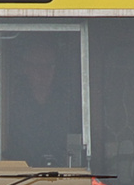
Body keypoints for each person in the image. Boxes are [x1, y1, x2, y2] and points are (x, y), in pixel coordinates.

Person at [5, 37, 81, 166]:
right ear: (25, 68)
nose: (43, 72)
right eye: (37, 66)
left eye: (48, 66)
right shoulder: (9, 104)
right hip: (20, 176)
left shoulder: (68, 104)